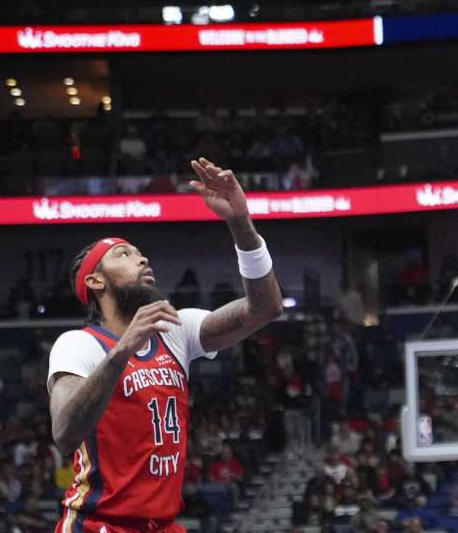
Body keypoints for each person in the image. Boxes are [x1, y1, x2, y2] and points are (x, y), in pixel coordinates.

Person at [46, 157, 284, 533]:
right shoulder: (79, 344)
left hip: (162, 525)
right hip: (99, 525)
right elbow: (65, 433)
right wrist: (121, 351)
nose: (141, 258)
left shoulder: (175, 328)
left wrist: (240, 223)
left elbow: (265, 308)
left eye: (139, 252)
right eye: (123, 254)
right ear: (95, 282)